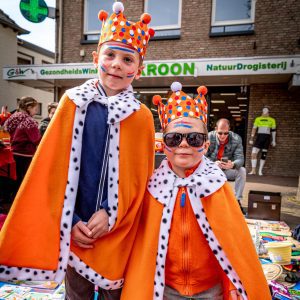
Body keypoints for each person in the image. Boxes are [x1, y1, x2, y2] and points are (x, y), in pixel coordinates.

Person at [0, 2, 155, 300]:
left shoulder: (142, 116)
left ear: (138, 68)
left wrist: (112, 215)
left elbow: (141, 180)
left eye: (127, 59)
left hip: (118, 228)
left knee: (115, 293)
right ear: (96, 57)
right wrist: (70, 222)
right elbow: (50, 168)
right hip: (74, 227)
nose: (116, 64)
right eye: (110, 55)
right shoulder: (72, 102)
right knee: (77, 294)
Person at [121, 82, 271, 300]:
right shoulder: (154, 187)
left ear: (206, 145)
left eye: (194, 138)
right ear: (164, 145)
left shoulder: (216, 186)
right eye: (174, 138)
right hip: (166, 290)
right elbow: (143, 246)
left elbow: (235, 244)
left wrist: (234, 281)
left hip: (211, 291)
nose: (184, 145)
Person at [206, 118, 246, 212]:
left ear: (229, 130)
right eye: (220, 133)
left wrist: (232, 164)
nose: (223, 136)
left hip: (227, 169)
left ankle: (237, 201)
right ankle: (209, 201)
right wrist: (213, 163)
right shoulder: (208, 137)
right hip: (212, 170)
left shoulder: (236, 138)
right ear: (216, 129)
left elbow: (240, 159)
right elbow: (201, 157)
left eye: (226, 133)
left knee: (242, 171)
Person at [3, 96, 41, 196]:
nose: (36, 112)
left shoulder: (13, 117)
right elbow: (37, 139)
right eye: (35, 109)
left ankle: (13, 200)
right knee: (24, 180)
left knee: (16, 177)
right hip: (26, 154)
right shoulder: (30, 121)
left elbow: (5, 128)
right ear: (29, 108)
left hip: (14, 152)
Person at [248, 107, 276, 176]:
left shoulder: (272, 120)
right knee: (253, 154)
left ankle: (260, 171)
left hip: (267, 138)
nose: (265, 113)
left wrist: (274, 140)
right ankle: (253, 170)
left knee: (264, 154)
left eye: (266, 112)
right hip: (259, 137)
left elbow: (273, 130)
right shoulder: (258, 119)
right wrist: (251, 138)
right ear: (262, 112)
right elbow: (254, 128)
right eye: (264, 112)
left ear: (268, 112)